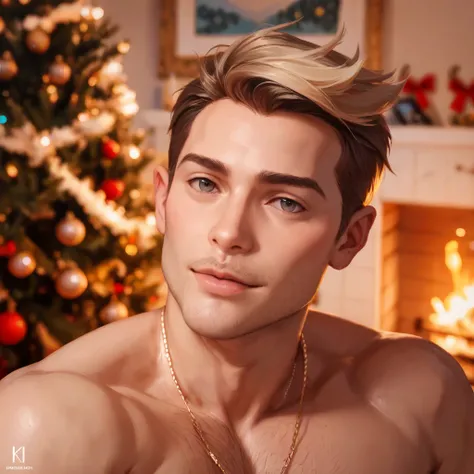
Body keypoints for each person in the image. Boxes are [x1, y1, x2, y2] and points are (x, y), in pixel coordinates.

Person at [1, 23, 473, 474]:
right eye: (205, 183)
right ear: (162, 200)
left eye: (286, 202)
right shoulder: (45, 425)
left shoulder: (419, 398)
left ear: (349, 238)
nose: (229, 234)